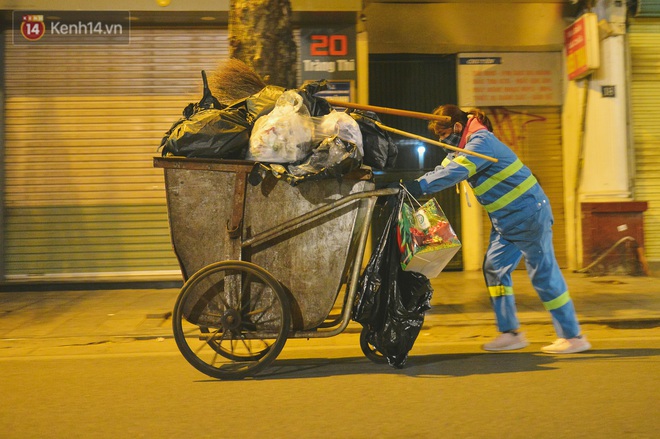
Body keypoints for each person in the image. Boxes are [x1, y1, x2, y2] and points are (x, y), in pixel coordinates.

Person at [402, 104, 591, 354]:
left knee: (543, 273)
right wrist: (412, 185)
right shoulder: (464, 143)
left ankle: (573, 336)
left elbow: (456, 171)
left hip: (528, 215)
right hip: (506, 221)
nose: (442, 140)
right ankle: (510, 333)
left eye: (444, 135)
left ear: (457, 127)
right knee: (495, 270)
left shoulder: (480, 143)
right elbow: (445, 168)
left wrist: (419, 187)